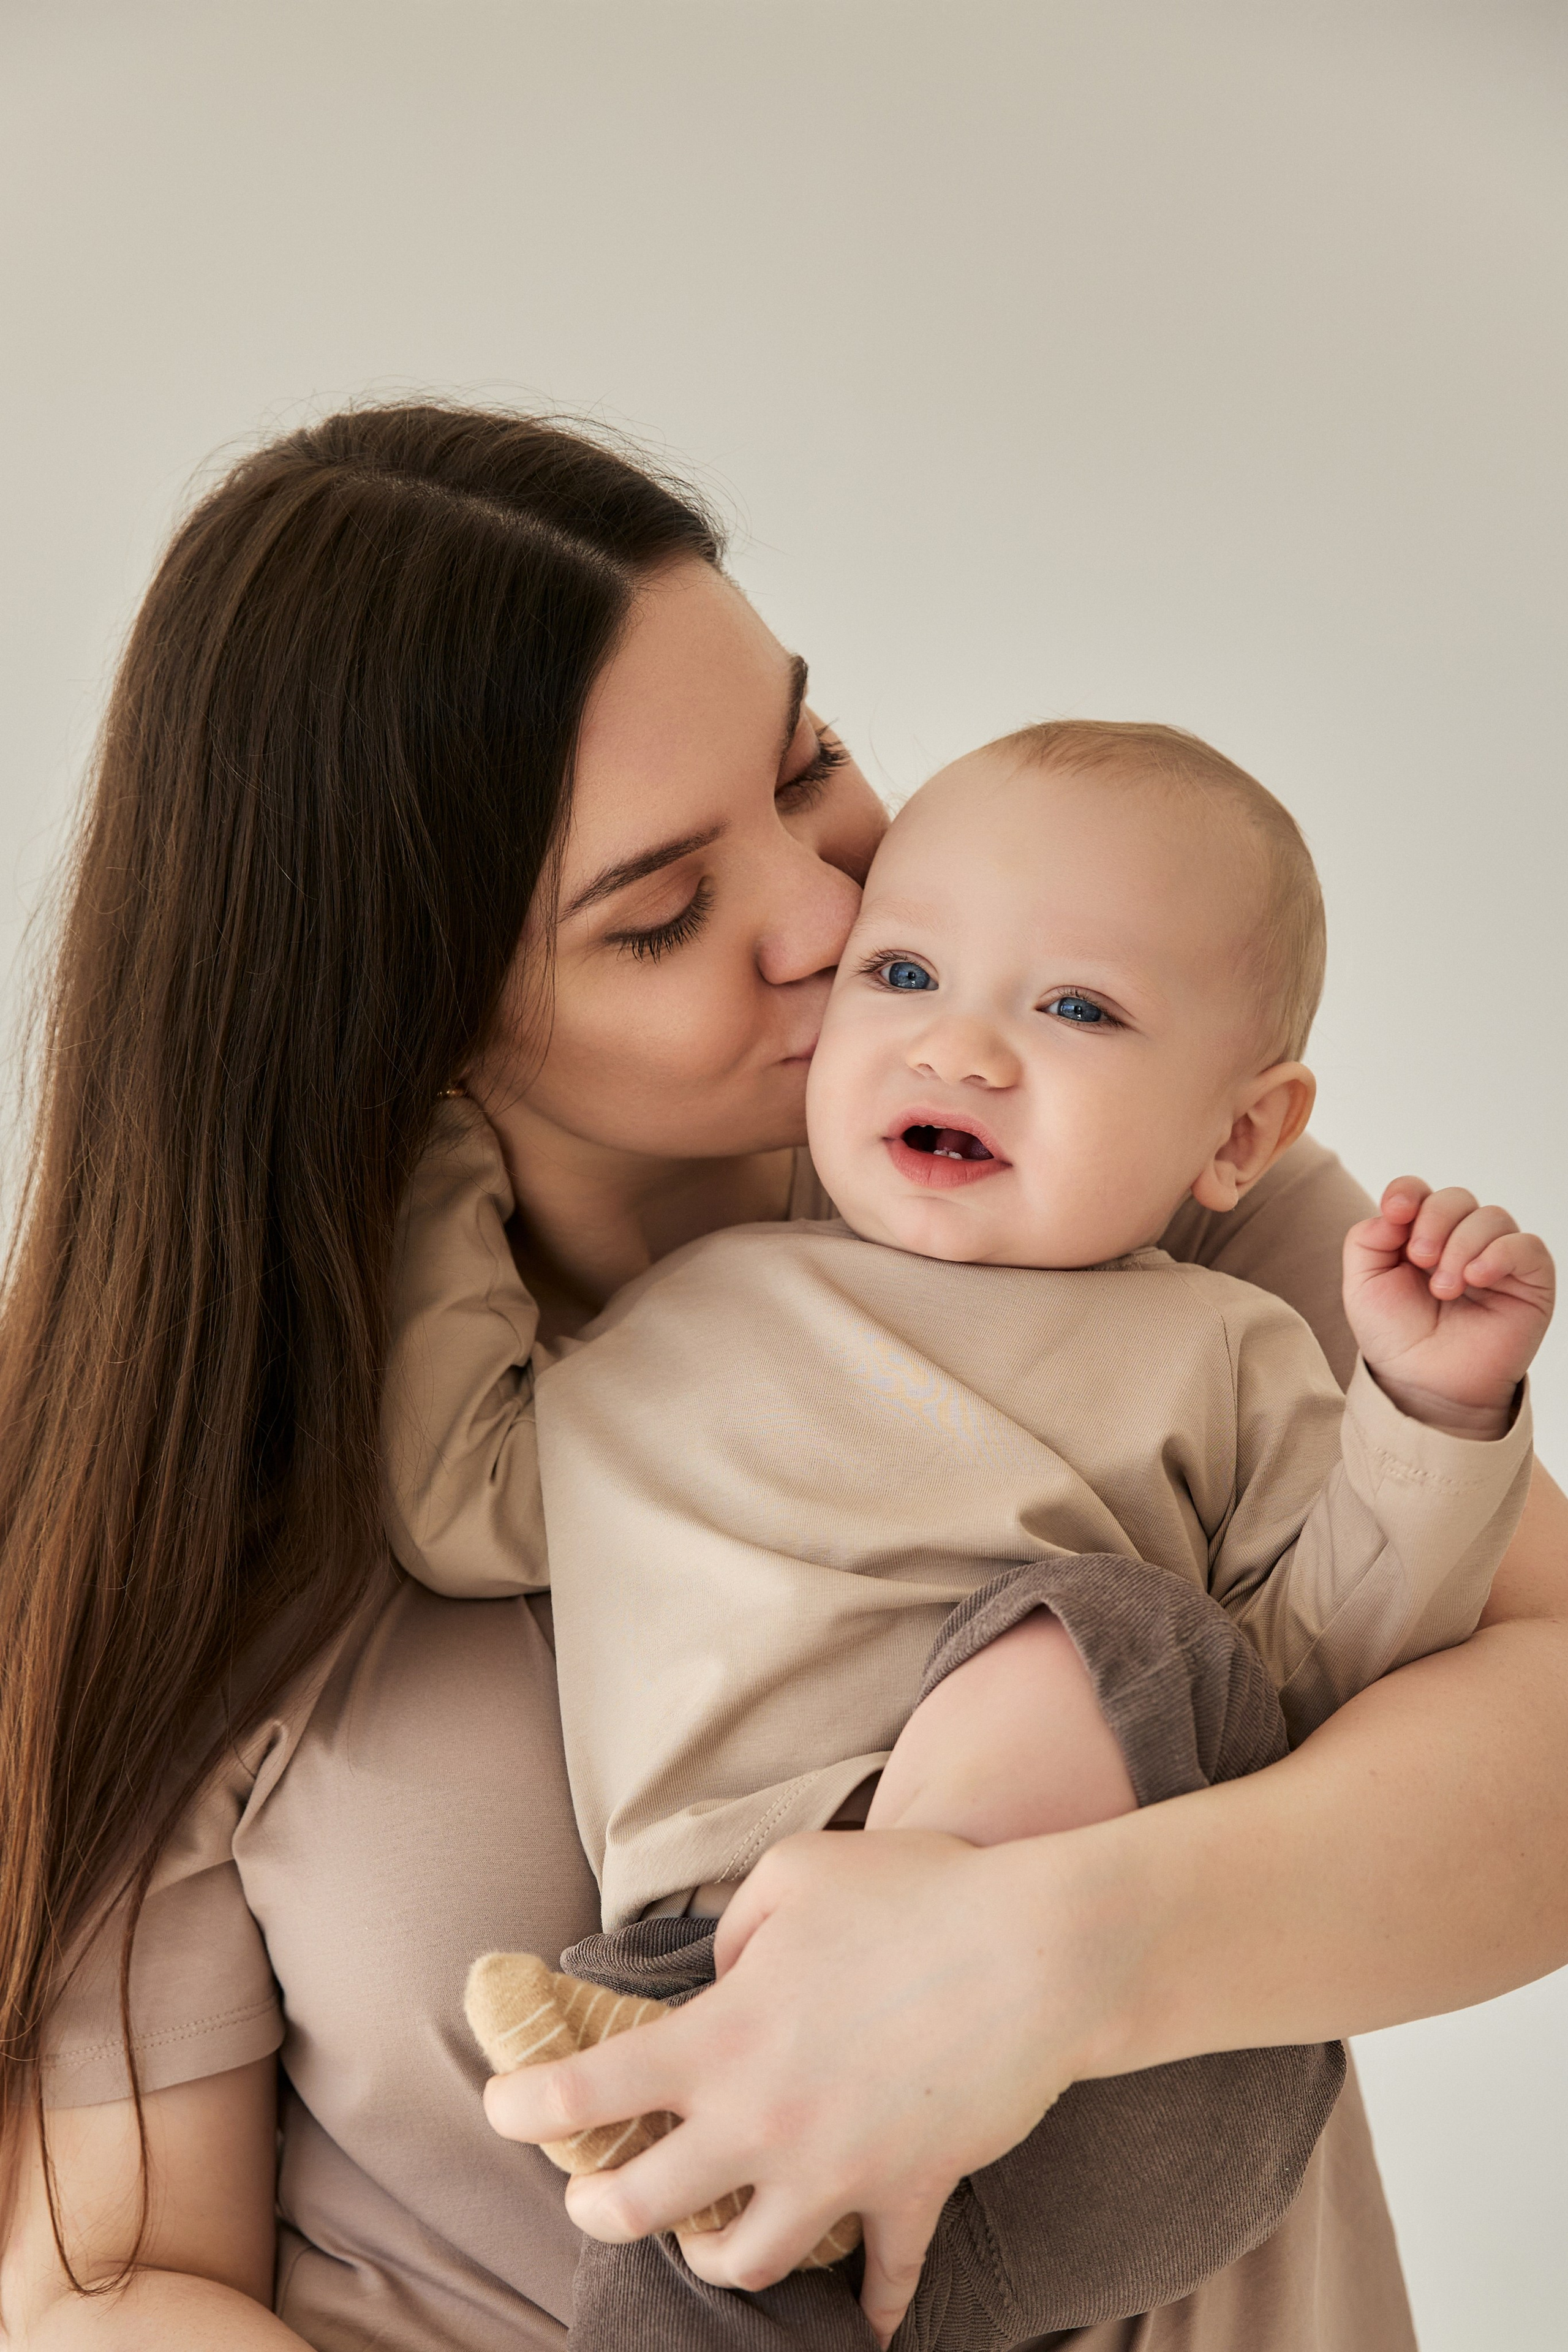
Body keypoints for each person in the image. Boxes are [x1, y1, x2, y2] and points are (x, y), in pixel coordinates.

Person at [1, 404, 1565, 2352]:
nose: (837, 920)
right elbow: (112, 2282)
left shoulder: (1085, 1186)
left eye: (810, 762)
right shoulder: (179, 1484)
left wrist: (1042, 1961)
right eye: (661, 912)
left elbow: (1540, 1728)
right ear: (403, 1010)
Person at [386, 719, 1545, 2346]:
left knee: (1121, 1629)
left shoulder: (1226, 1344)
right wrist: (418, 1149)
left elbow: (1326, 1665)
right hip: (715, 1988)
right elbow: (458, 1499)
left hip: (1101, 2065)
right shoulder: (673, 1333)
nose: (963, 1053)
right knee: (698, 2245)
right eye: (904, 975)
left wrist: (1432, 1413)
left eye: (1074, 1010)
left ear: (1238, 1136)